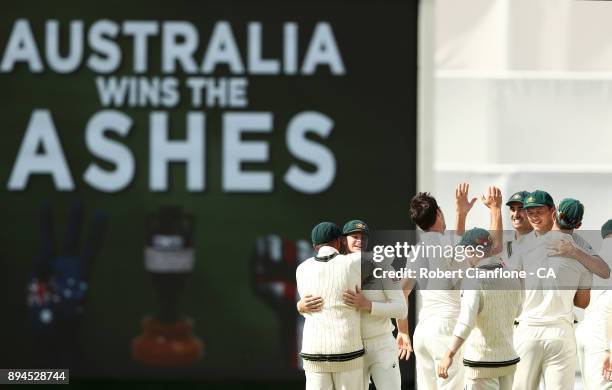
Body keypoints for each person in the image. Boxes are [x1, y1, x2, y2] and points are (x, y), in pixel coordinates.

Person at [397, 183, 501, 390]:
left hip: (423, 331)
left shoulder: (417, 250)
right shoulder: (449, 244)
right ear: (438, 213)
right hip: (446, 328)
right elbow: (493, 249)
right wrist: (495, 210)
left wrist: (403, 332)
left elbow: (401, 292)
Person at [511, 194, 595, 390]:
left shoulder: (522, 246)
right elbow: (582, 302)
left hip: (527, 331)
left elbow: (514, 288)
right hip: (560, 332)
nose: (533, 216)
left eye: (537, 212)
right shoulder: (582, 251)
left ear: (554, 213)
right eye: (530, 212)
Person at [437, 228, 522, 390]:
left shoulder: (473, 278)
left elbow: (465, 322)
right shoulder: (512, 275)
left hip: (481, 362)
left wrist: (448, 355)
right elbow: (518, 312)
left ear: (472, 250)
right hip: (508, 360)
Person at [339, 220, 407, 390]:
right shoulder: (336, 268)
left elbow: (401, 310)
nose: (360, 241)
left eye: (364, 237)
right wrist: (301, 305)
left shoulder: (384, 267)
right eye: (354, 236)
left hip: (382, 344)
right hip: (351, 346)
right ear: (342, 240)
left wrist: (368, 304)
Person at [296, 222, 364, 390]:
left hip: (314, 351)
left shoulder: (302, 268)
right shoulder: (354, 263)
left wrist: (299, 306)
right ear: (339, 241)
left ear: (314, 246)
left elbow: (306, 308)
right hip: (347, 350)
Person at [577, 219, 612, 389]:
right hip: (603, 339)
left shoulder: (592, 259)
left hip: (585, 333)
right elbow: (608, 306)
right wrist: (609, 349)